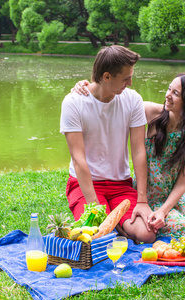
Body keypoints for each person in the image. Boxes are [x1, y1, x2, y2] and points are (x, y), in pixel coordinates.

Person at [73, 72, 185, 239]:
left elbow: (183, 182)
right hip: (147, 194)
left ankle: (124, 227)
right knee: (170, 224)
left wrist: (163, 211)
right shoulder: (149, 111)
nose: (167, 95)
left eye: (175, 93)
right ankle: (122, 228)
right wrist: (88, 88)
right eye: (169, 89)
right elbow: (111, 101)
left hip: (176, 195)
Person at [60, 45, 156, 244]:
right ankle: (116, 227)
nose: (130, 83)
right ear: (106, 76)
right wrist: (95, 208)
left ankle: (119, 227)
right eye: (126, 78)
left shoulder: (133, 100)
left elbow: (138, 152)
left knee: (147, 234)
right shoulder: (73, 102)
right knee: (97, 238)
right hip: (85, 185)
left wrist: (142, 201)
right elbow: (79, 160)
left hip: (120, 185)